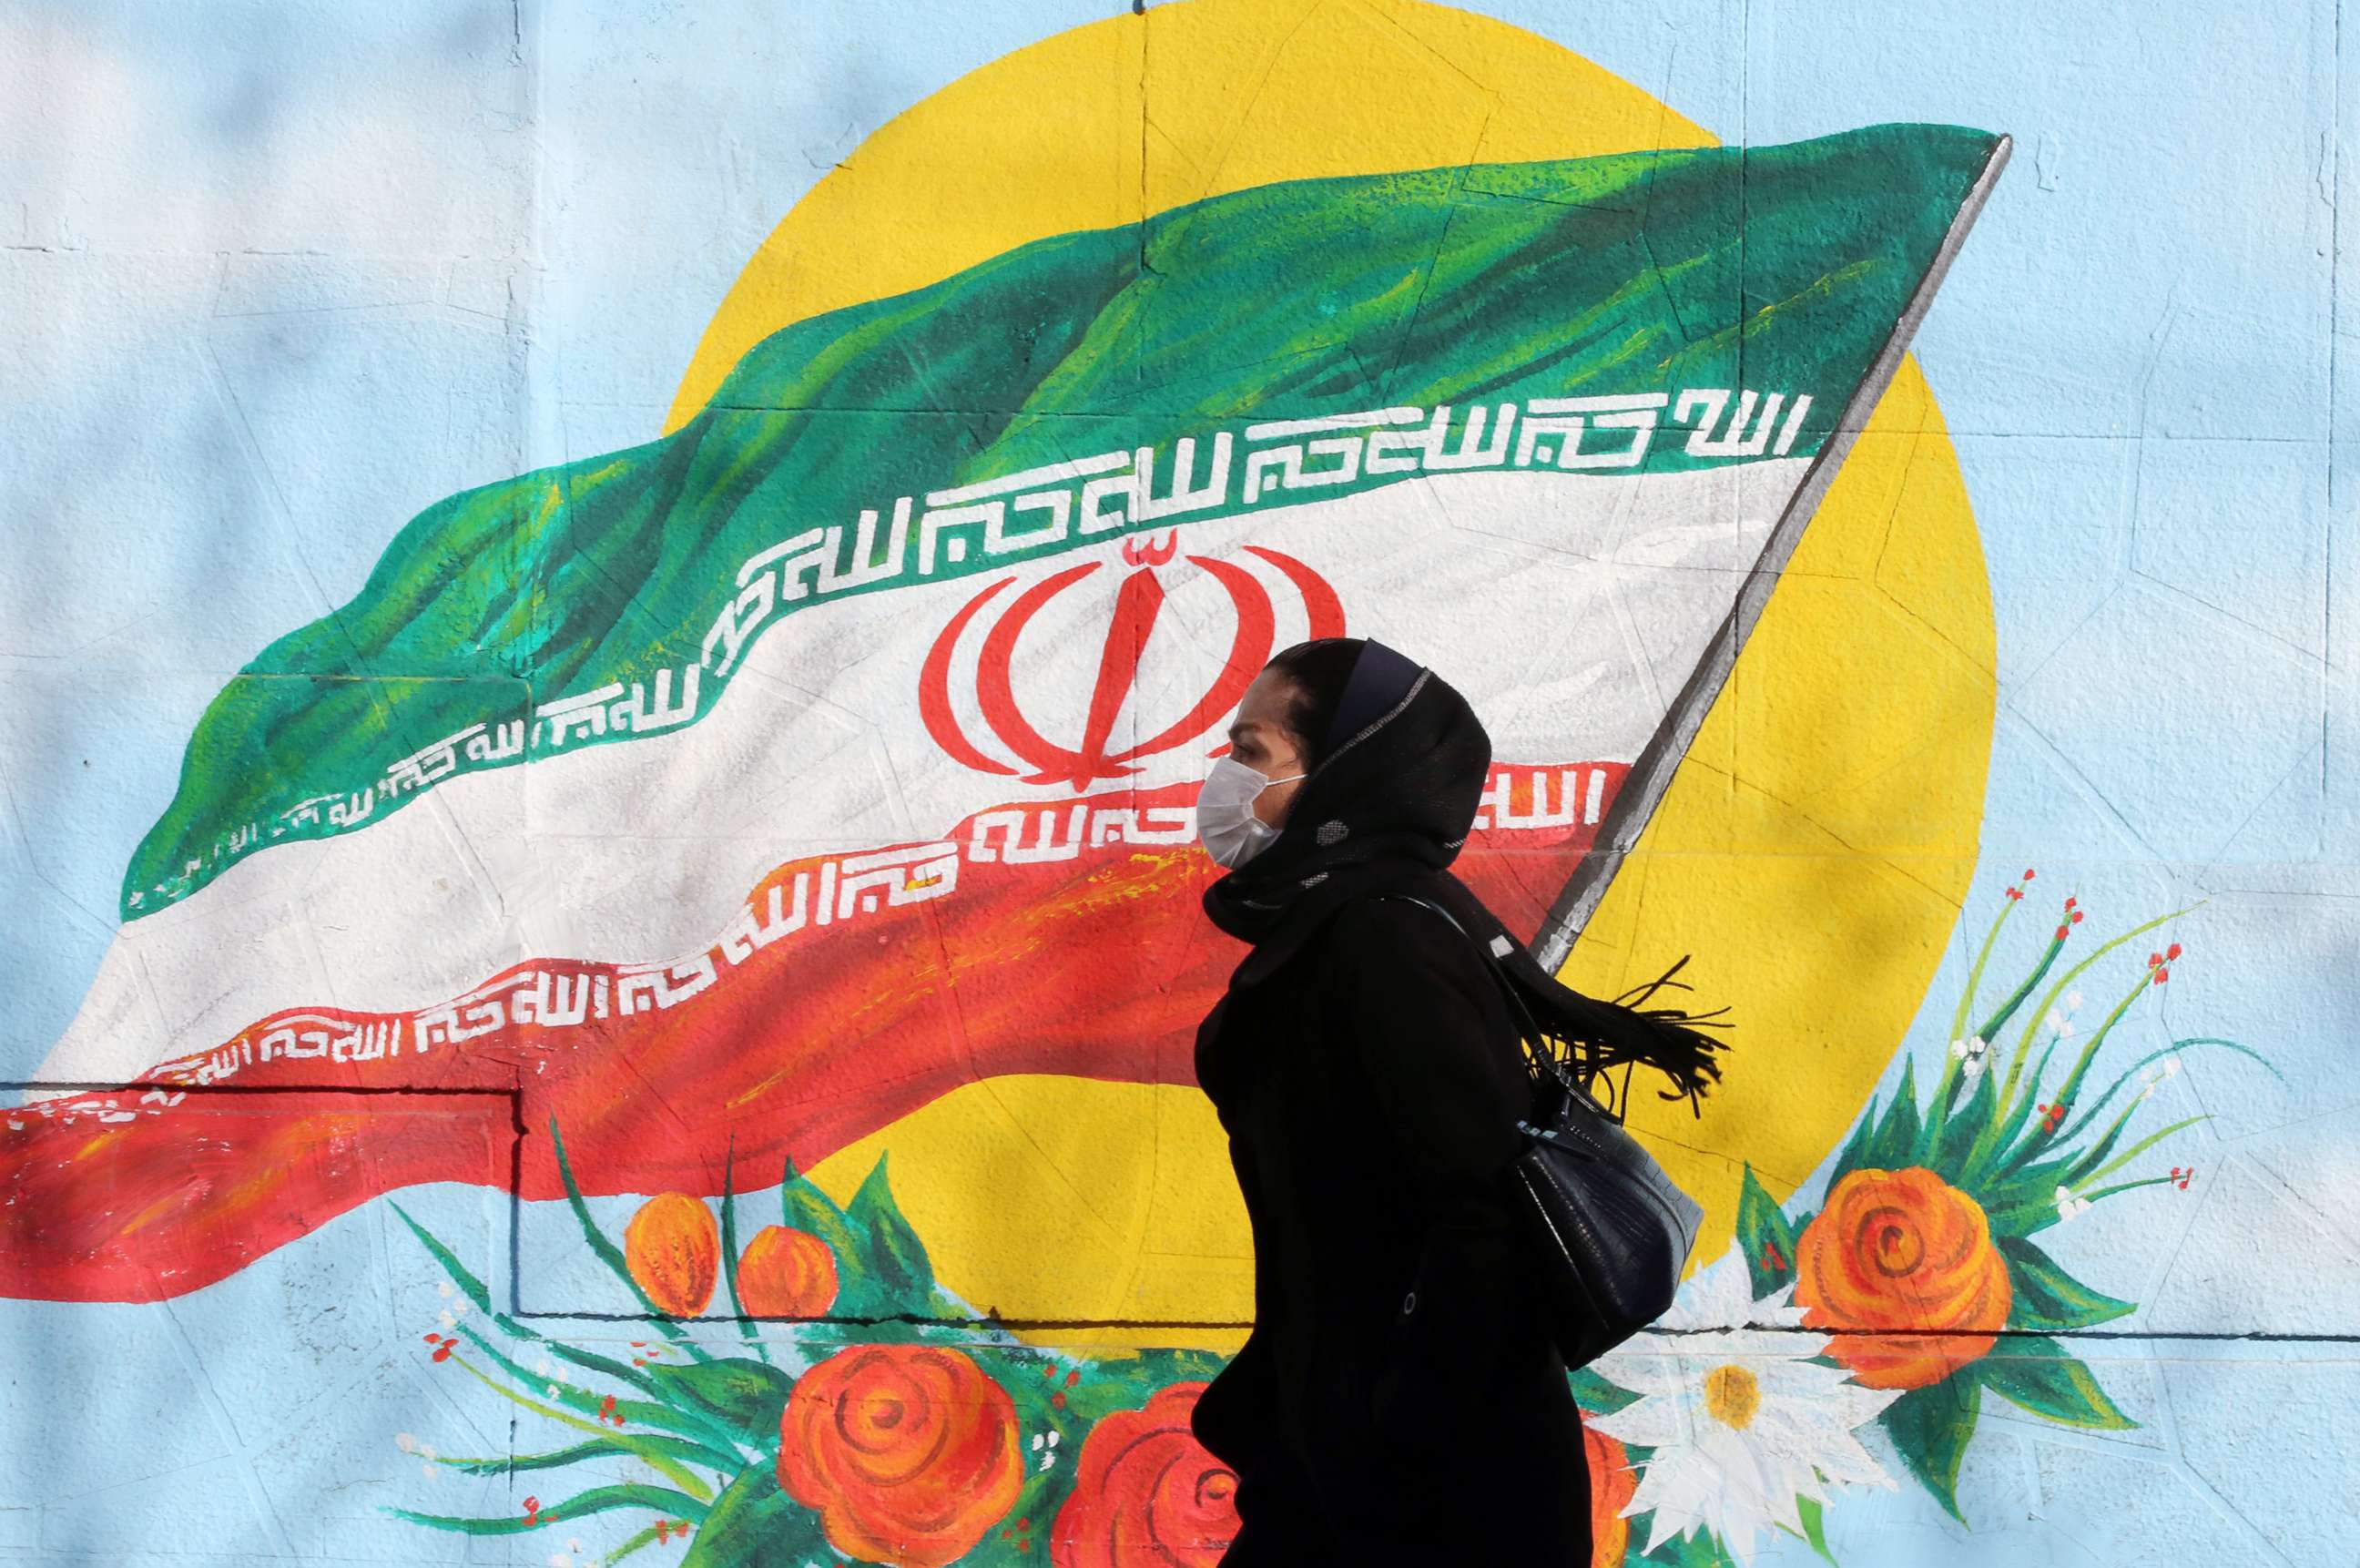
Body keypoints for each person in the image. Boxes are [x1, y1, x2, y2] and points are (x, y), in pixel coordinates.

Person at [1185, 636, 1727, 1566]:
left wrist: (1397, 1427)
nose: (1225, 781)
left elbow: (1482, 1209)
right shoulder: (1340, 926)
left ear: (1347, 771)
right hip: (1344, 1456)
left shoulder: (1384, 940)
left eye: (1253, 752)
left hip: (1438, 1486)